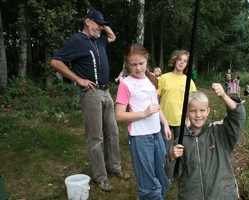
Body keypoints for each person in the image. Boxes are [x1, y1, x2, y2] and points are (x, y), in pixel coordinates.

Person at [49, 9, 130, 192]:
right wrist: (78, 79)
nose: (101, 27)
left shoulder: (99, 40)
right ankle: (101, 177)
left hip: (106, 91)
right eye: (97, 23)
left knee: (113, 132)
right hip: (90, 93)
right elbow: (55, 62)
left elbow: (113, 36)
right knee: (95, 137)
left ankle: (114, 167)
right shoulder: (76, 41)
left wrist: (102, 24)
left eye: (102, 24)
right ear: (87, 21)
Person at [164, 84, 246, 200]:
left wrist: (223, 96)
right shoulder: (181, 140)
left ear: (208, 111)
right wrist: (171, 157)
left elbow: (238, 116)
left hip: (221, 195)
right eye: (193, 111)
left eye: (202, 110)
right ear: (187, 112)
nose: (198, 115)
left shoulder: (220, 133)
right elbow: (173, 174)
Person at [115, 43, 171, 200]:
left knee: (163, 176)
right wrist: (144, 113)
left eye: (141, 63)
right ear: (127, 64)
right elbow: (119, 115)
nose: (138, 68)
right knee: (148, 184)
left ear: (147, 60)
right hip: (140, 137)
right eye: (133, 64)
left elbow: (156, 106)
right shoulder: (125, 84)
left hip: (156, 134)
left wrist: (165, 124)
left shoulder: (152, 79)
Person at [158, 50, 197, 152]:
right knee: (164, 150)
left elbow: (194, 101)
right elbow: (154, 98)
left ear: (187, 65)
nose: (181, 62)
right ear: (175, 60)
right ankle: (165, 167)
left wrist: (189, 120)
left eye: (185, 61)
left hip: (181, 121)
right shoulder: (164, 78)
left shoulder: (189, 81)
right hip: (163, 120)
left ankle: (177, 168)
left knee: (180, 150)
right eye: (180, 59)